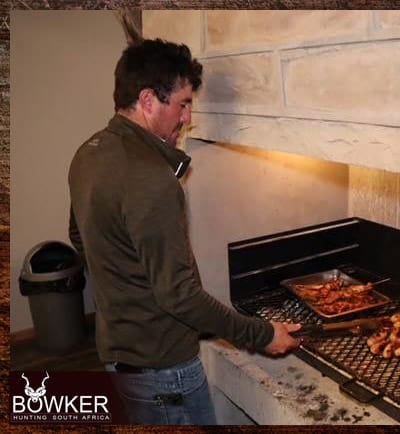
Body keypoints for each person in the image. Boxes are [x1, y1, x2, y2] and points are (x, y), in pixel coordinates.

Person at [68, 38, 302, 425]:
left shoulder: (87, 154)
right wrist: (261, 334)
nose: (187, 117)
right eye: (182, 104)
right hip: (165, 372)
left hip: (118, 353)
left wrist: (128, 293)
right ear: (147, 101)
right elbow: (180, 296)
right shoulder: (152, 180)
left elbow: (81, 239)